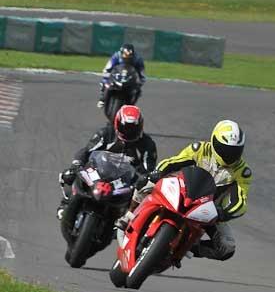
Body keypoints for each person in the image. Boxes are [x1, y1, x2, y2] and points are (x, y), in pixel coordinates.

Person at [119, 119, 251, 261]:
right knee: (146, 181)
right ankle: (129, 215)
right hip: (182, 192)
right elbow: (174, 161)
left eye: (234, 151)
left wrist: (225, 212)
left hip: (210, 211)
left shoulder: (242, 172)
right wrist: (158, 172)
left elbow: (240, 200)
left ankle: (189, 248)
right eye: (225, 149)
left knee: (226, 248)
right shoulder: (200, 149)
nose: (229, 154)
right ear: (214, 141)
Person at [58, 105, 157, 220]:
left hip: (123, 182)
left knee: (145, 196)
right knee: (70, 174)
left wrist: (144, 178)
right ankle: (65, 204)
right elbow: (87, 150)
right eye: (125, 127)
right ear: (117, 123)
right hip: (98, 172)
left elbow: (148, 170)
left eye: (132, 128)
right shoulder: (106, 133)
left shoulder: (147, 144)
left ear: (140, 126)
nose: (129, 132)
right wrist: (76, 164)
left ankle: (125, 222)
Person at [97, 43, 146, 108]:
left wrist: (140, 81)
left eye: (129, 56)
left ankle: (131, 105)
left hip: (130, 77)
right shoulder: (116, 56)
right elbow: (107, 68)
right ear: (121, 53)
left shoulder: (138, 59)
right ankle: (102, 99)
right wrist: (106, 76)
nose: (127, 57)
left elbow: (142, 73)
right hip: (117, 74)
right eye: (125, 55)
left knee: (137, 90)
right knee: (105, 82)